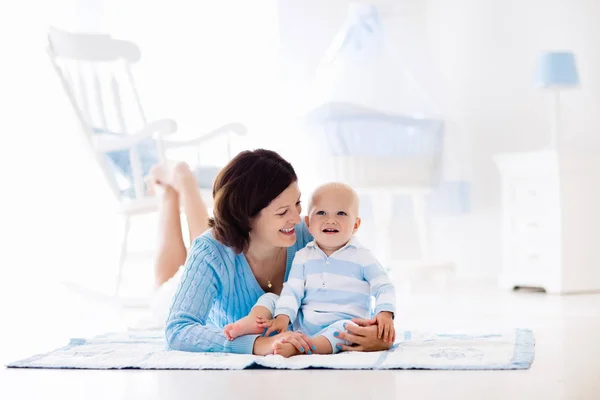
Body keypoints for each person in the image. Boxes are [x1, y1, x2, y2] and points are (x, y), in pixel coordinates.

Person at [150, 149, 394, 355]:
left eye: (298, 204)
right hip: (187, 286)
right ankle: (177, 182)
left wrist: (372, 333)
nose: (297, 218)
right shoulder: (210, 252)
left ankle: (182, 179)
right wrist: (258, 344)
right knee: (194, 245)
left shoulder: (312, 235)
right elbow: (178, 330)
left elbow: (353, 289)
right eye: (282, 212)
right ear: (246, 217)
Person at [223, 182, 396, 357]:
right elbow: (292, 290)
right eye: (321, 213)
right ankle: (254, 322)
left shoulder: (363, 257)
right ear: (308, 223)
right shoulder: (303, 256)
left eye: (341, 213)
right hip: (303, 323)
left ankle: (303, 347)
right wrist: (283, 316)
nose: (331, 220)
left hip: (341, 323)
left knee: (346, 329)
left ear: (356, 225)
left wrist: (384, 313)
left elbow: (384, 286)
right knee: (272, 298)